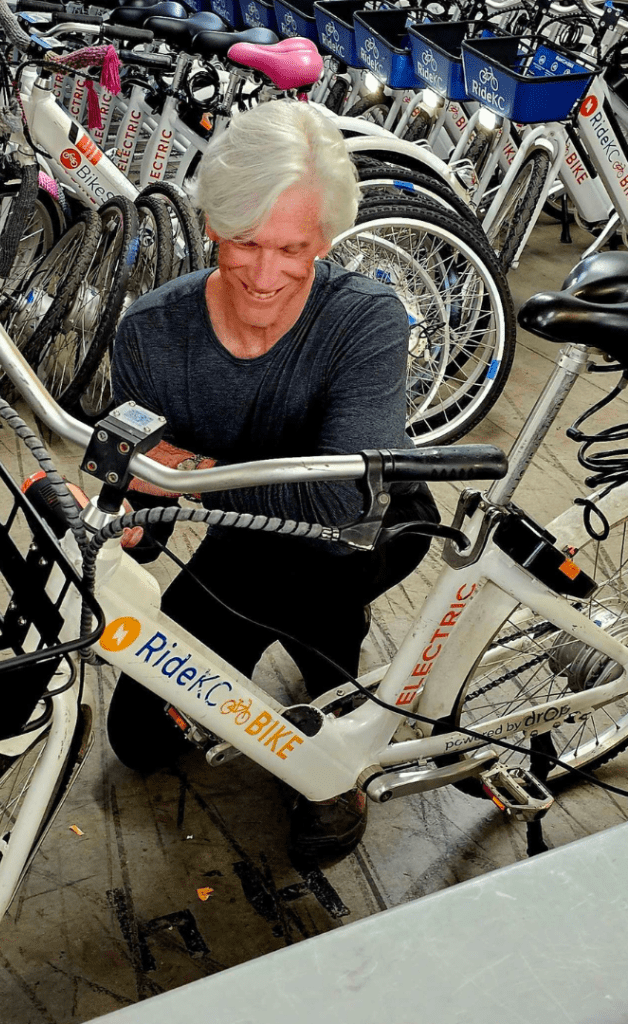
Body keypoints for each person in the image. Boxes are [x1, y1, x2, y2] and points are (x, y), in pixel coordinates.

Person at [105, 100, 439, 865]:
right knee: (139, 739)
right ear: (213, 226)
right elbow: (148, 525)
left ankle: (336, 747)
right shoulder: (150, 334)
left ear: (325, 239)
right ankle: (322, 677)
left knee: (317, 571)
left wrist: (184, 476)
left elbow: (340, 501)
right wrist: (121, 514)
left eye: (292, 249)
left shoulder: (365, 320)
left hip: (370, 531)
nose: (264, 275)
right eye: (246, 243)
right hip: (248, 538)